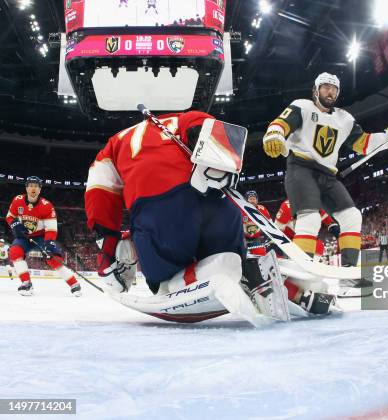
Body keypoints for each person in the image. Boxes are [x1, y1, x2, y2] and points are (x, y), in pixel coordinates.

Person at [84, 111, 288, 325]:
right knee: (228, 253)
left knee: (160, 278)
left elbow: (100, 190)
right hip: (220, 201)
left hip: (160, 206)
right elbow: (218, 133)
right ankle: (243, 273)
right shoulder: (187, 117)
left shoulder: (116, 142)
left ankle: (172, 282)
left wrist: (107, 241)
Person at [262, 72, 388, 269]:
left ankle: (349, 271)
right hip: (301, 167)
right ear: (315, 90)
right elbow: (280, 124)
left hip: (327, 175)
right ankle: (301, 271)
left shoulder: (345, 119)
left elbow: (363, 144)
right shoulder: (302, 106)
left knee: (352, 217)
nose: (330, 91)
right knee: (310, 218)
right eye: (326, 86)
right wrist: (273, 136)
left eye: (334, 88)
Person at [5, 176, 81, 296]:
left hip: (41, 236)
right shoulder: (17, 200)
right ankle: (26, 284)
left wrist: (49, 242)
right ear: (26, 188)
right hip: (24, 237)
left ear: (40, 189)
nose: (33, 188)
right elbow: (9, 216)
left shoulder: (46, 205)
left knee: (53, 259)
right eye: (30, 186)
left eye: (36, 186)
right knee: (15, 252)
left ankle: (74, 283)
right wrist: (15, 224)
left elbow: (51, 228)